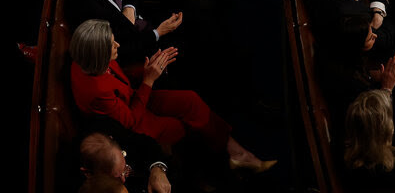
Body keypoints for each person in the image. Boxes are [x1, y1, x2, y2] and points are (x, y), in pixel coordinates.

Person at [69, 19, 273, 171]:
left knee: (190, 100)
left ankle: (235, 153)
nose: (118, 46)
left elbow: (119, 77)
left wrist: (147, 70)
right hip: (134, 120)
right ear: (98, 55)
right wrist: (148, 80)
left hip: (136, 97)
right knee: (181, 127)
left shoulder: (89, 59)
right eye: (112, 45)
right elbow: (130, 122)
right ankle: (218, 167)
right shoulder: (96, 91)